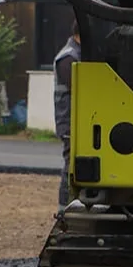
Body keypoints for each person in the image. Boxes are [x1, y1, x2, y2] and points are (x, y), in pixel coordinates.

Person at [53, 21, 81, 207]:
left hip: (77, 121)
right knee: (70, 166)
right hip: (71, 122)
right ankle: (64, 208)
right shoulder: (68, 57)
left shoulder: (76, 54)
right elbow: (79, 89)